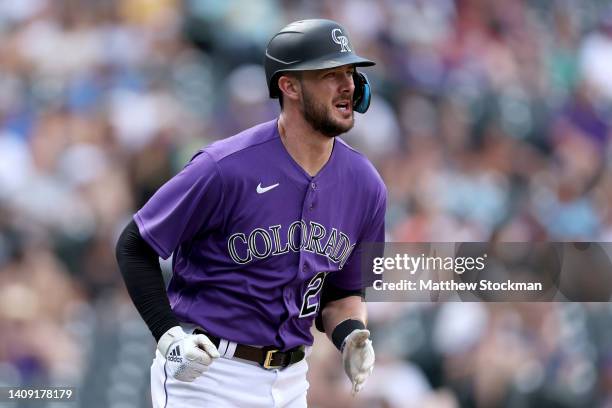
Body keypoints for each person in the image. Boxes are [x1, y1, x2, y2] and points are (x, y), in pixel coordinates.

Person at [115, 18, 386, 408]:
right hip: (208, 374)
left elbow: (343, 294)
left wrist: (352, 336)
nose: (349, 85)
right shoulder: (225, 167)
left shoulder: (366, 184)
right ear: (289, 85)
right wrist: (169, 335)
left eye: (350, 73)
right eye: (330, 74)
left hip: (293, 380)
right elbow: (134, 244)